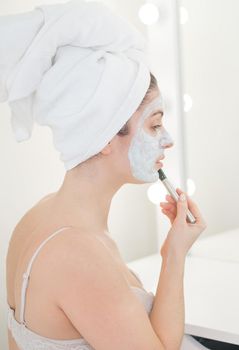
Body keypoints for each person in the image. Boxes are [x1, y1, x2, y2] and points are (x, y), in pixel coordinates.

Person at [2, 2, 206, 349]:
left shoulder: (41, 217)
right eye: (155, 125)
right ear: (106, 137)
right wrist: (174, 257)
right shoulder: (76, 252)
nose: (168, 140)